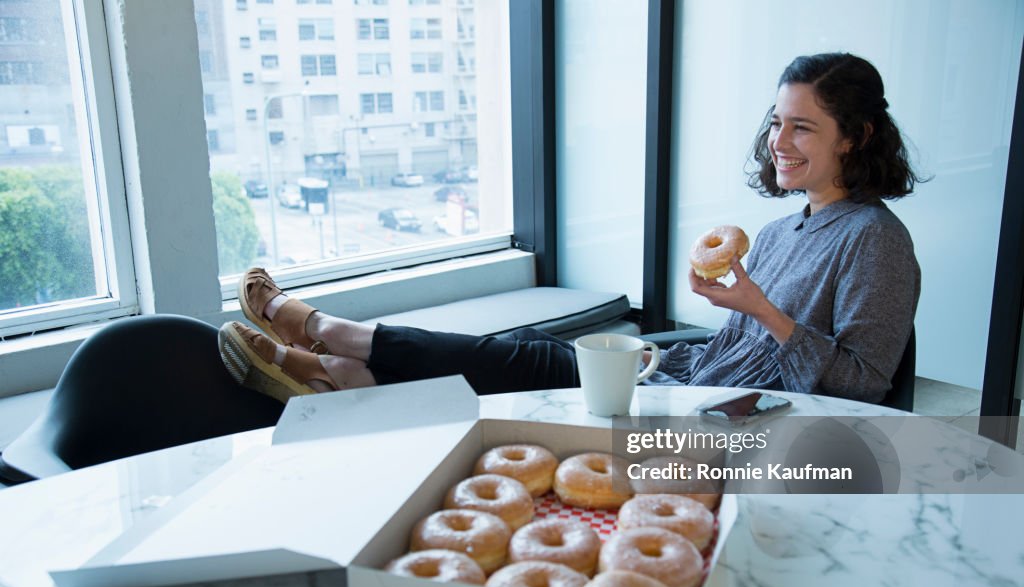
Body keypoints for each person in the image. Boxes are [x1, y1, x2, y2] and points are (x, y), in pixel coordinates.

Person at [219, 52, 923, 406]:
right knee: (522, 346)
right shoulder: (782, 231)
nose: (779, 141)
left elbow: (861, 389)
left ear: (856, 137)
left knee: (523, 366)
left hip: (718, 421)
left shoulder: (876, 241)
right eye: (777, 122)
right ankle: (339, 376)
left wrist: (759, 311)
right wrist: (696, 335)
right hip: (683, 384)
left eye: (803, 127)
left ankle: (332, 341)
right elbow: (738, 348)